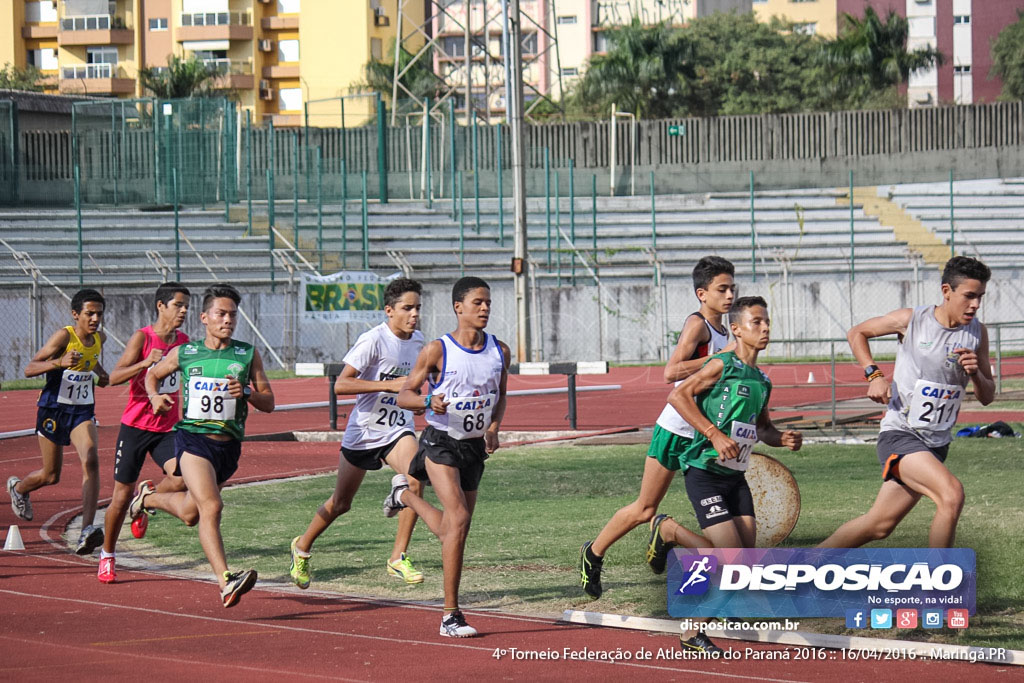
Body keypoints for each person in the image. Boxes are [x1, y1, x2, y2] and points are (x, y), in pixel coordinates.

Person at [579, 256, 736, 599]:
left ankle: (672, 536)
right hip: (676, 428)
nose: (729, 295)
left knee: (722, 512)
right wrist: (719, 359)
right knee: (645, 508)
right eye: (721, 289)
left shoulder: (728, 332)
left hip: (703, 433)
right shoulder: (699, 326)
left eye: (732, 288)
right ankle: (593, 553)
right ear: (702, 293)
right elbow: (672, 371)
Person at [819, 256, 993, 550]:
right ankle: (938, 585)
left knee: (879, 525)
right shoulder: (913, 320)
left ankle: (801, 564)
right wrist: (874, 375)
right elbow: (857, 333)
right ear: (947, 291)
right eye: (969, 296)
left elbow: (988, 396)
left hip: (935, 444)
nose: (975, 305)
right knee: (951, 495)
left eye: (980, 297)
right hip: (901, 433)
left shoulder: (978, 333)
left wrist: (975, 373)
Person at [662, 296, 802, 653]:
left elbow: (763, 428)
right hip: (704, 473)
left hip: (735, 477)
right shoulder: (721, 365)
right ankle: (691, 632)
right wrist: (713, 433)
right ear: (736, 329)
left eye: (767, 322)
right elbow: (679, 395)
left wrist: (781, 438)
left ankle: (670, 534)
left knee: (744, 561)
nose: (766, 328)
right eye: (757, 322)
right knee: (736, 561)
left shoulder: (762, 380)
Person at [128, 284, 275, 607]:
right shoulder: (187, 353)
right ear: (204, 317)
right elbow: (152, 375)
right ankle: (225, 580)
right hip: (193, 440)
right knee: (212, 507)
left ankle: (147, 498)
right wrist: (154, 396)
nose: (228, 321)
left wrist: (248, 393)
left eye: (233, 315)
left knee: (192, 514)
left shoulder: (247, 354)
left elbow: (269, 402)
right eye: (221, 314)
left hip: (229, 447)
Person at [387, 276, 509, 638]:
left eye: (488, 302)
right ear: (459, 307)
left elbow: (500, 394)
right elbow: (404, 395)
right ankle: (450, 615)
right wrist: (428, 400)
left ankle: (404, 495)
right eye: (478, 303)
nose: (485, 308)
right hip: (440, 441)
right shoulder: (437, 350)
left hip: (473, 446)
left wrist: (494, 427)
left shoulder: (500, 349)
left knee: (458, 528)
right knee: (456, 518)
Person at [289, 278, 427, 589]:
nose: (414, 314)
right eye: (407, 308)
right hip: (364, 432)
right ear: (389, 311)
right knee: (341, 503)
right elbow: (342, 384)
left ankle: (397, 557)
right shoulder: (373, 340)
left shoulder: (420, 342)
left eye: (418, 307)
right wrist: (387, 385)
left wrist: (416, 402)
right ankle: (302, 547)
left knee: (417, 477)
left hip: (397, 427)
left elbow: (413, 385)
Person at [97, 283, 191, 584]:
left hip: (167, 428)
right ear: (161, 306)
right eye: (178, 305)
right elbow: (112, 377)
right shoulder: (143, 337)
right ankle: (108, 555)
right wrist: (144, 363)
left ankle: (147, 499)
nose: (184, 311)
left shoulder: (185, 341)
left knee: (182, 476)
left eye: (187, 305)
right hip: (135, 427)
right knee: (120, 496)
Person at [8, 288, 110, 555]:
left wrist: (101, 374)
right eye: (89, 313)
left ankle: (87, 530)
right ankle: (19, 488)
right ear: (76, 314)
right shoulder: (64, 336)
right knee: (51, 475)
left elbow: (92, 361)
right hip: (53, 410)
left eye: (99, 313)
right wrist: (59, 362)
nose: (95, 318)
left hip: (82, 411)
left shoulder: (101, 337)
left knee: (91, 460)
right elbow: (30, 368)